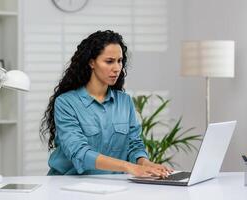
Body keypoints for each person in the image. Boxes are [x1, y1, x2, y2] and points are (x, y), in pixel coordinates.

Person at [40, 30, 172, 177]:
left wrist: (145, 164)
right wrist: (129, 167)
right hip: (68, 184)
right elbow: (79, 152)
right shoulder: (66, 103)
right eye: (109, 61)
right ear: (91, 62)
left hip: (113, 184)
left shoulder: (124, 101)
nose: (117, 68)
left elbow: (134, 145)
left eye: (119, 61)